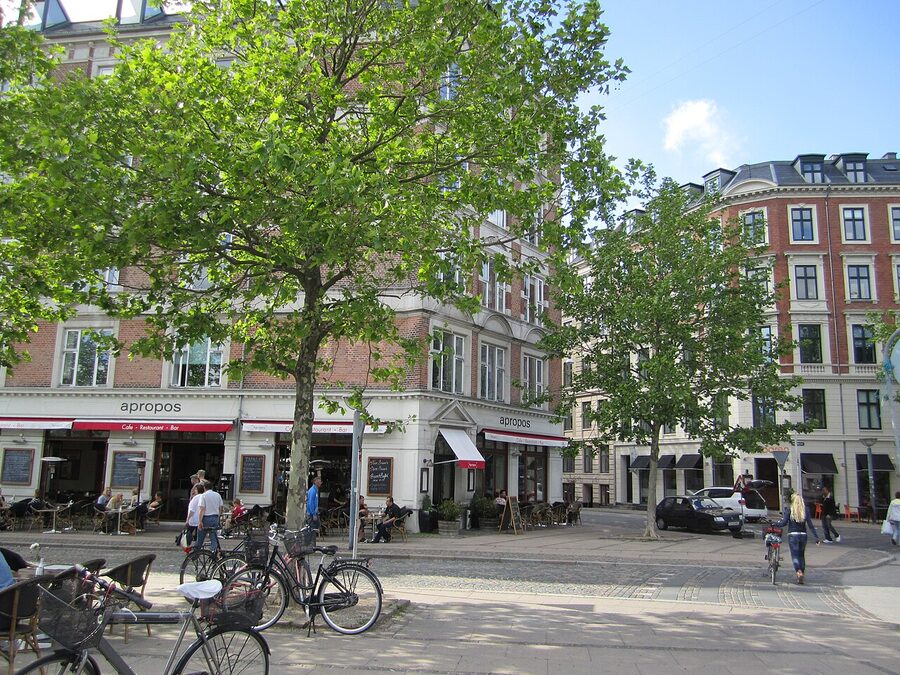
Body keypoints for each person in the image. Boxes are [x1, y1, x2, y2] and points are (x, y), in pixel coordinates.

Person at [774, 492, 820, 584]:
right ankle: (802, 572)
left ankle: (798, 572)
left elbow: (784, 523)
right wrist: (816, 538)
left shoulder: (790, 509)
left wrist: (775, 524)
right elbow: (810, 525)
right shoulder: (805, 510)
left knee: (795, 556)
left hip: (793, 535)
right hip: (803, 535)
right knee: (801, 555)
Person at [196, 480, 224, 553]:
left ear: (204, 488)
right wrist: (218, 516)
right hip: (215, 517)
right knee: (213, 537)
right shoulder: (217, 495)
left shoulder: (203, 495)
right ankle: (213, 552)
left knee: (200, 537)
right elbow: (221, 508)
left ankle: (196, 553)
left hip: (206, 517)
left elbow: (202, 509)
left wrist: (200, 521)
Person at [185, 482, 204, 549]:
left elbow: (192, 509)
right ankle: (197, 547)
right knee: (198, 535)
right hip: (200, 519)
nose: (194, 491)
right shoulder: (204, 496)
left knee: (188, 534)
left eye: (195, 489)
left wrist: (188, 519)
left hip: (193, 519)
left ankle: (187, 546)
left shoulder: (196, 498)